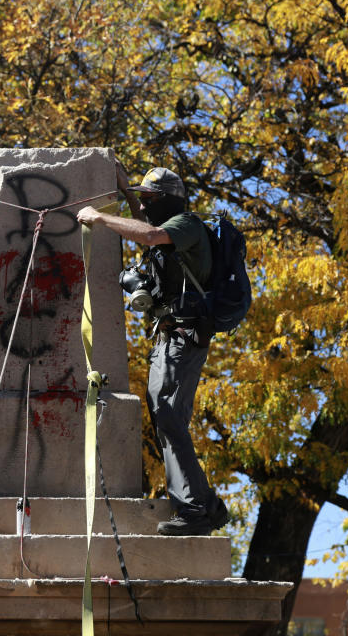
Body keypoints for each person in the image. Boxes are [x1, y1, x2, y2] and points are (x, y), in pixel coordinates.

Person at [76, 166, 229, 536]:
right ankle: (206, 504)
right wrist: (123, 179)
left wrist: (98, 217)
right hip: (171, 335)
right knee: (165, 415)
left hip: (185, 335)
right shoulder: (164, 220)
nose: (142, 204)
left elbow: (151, 233)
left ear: (168, 200)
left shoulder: (185, 225)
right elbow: (143, 219)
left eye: (148, 198)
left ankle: (196, 509)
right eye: (140, 198)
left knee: (170, 416)